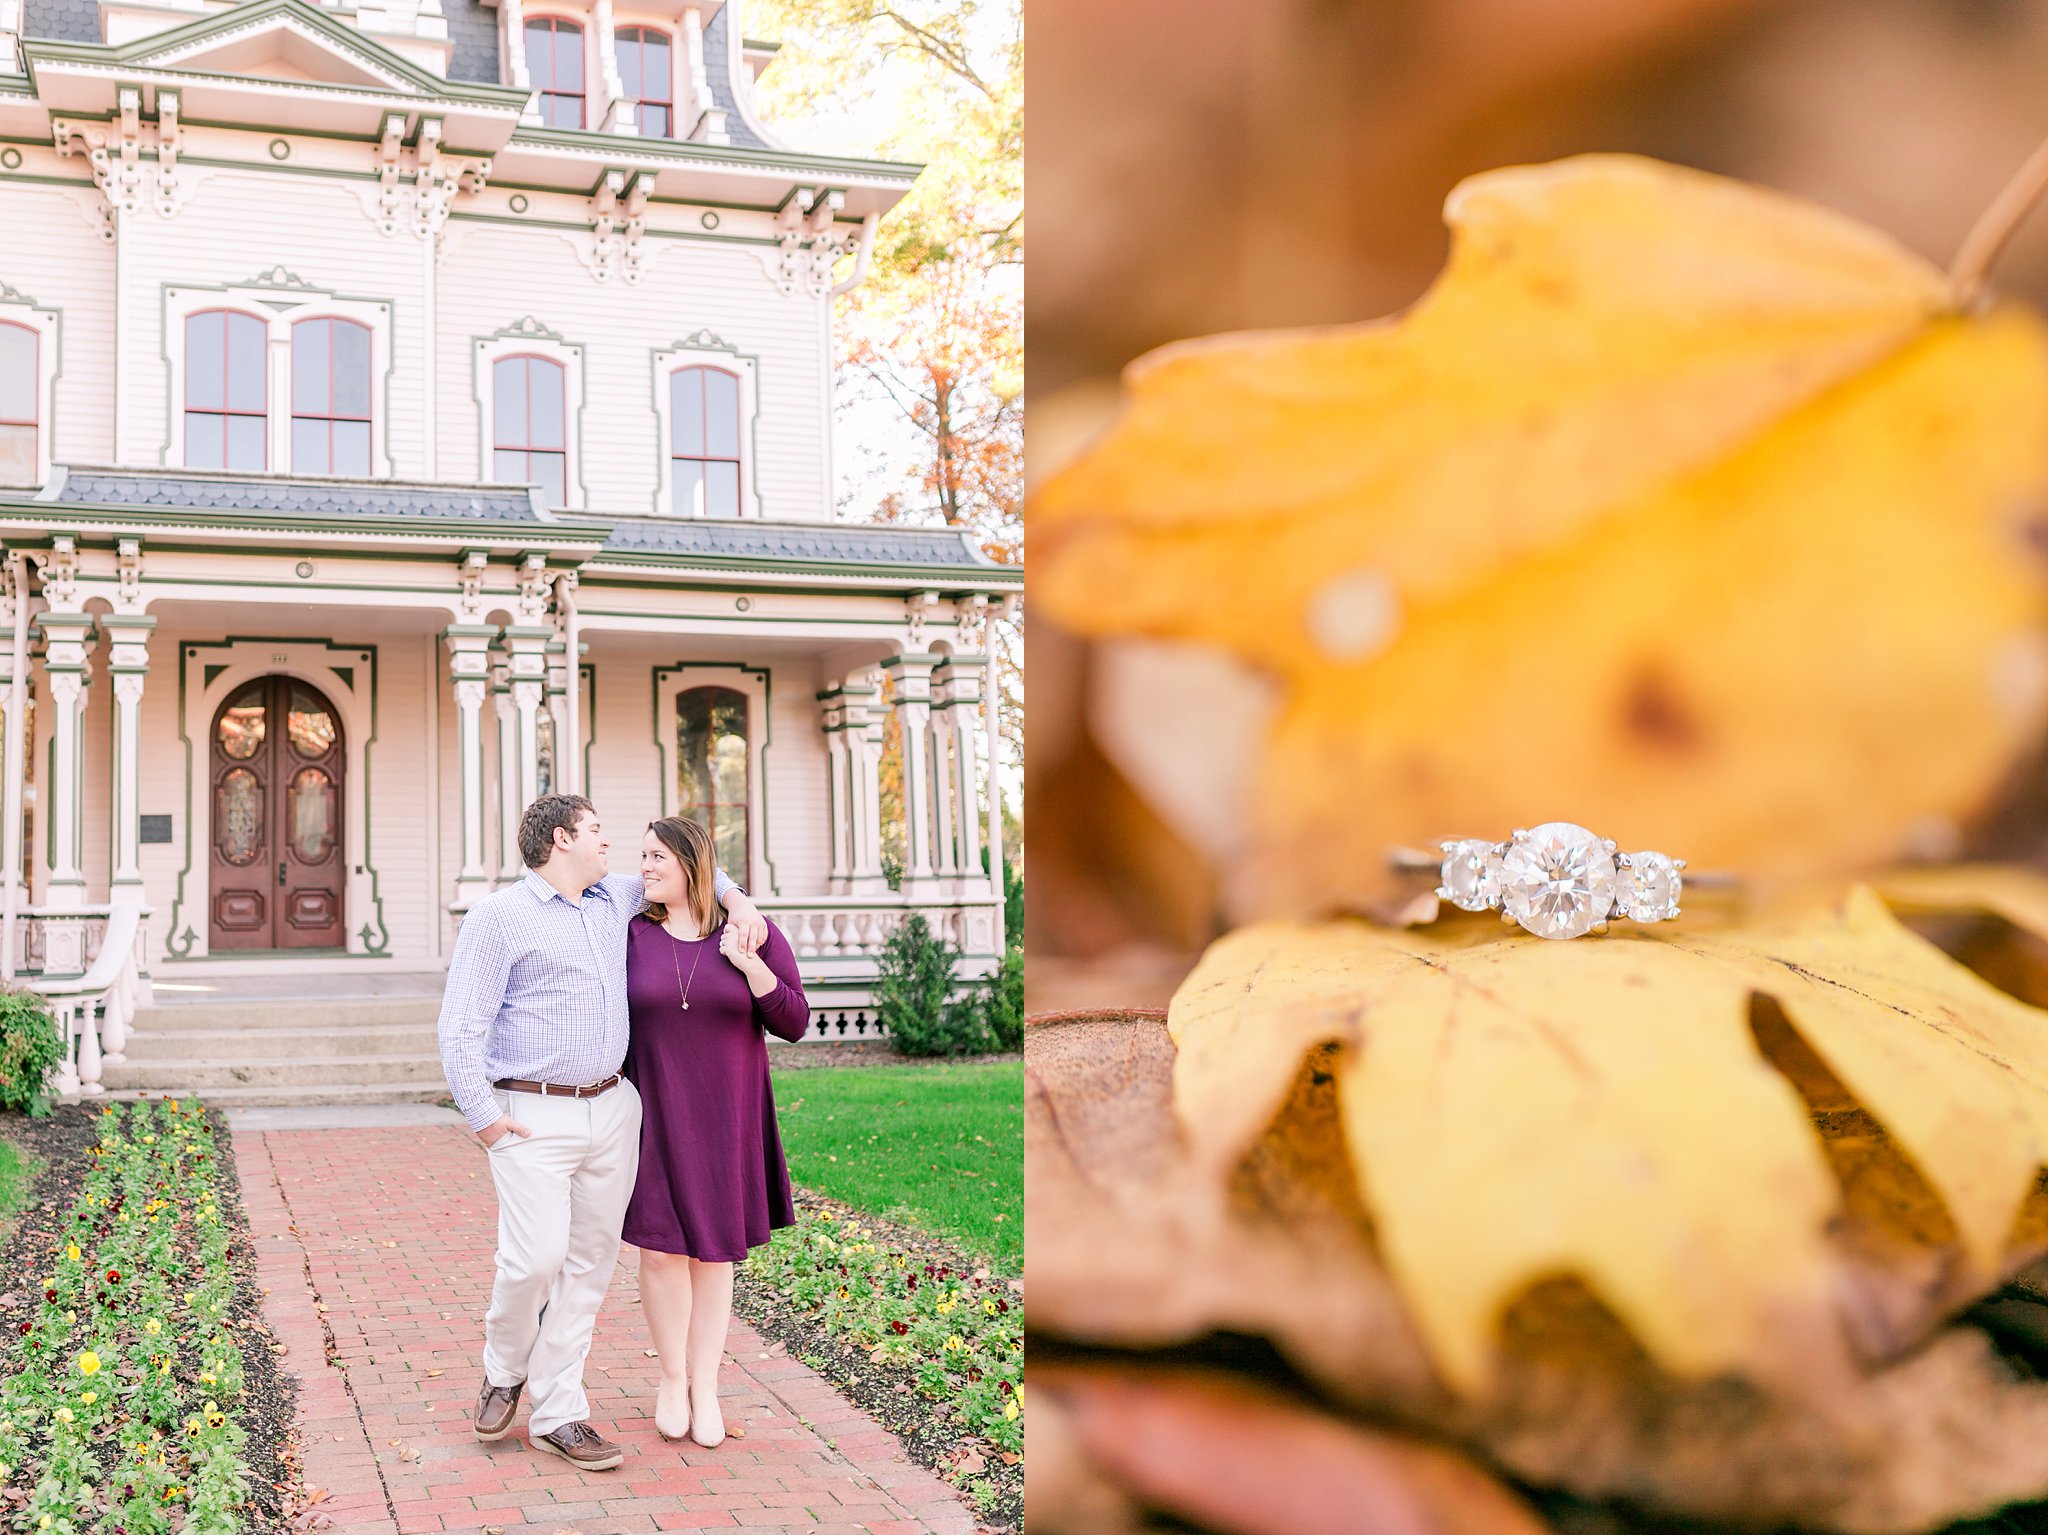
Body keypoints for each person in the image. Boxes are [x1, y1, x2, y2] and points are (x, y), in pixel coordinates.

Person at [436, 793, 767, 1470]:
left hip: (614, 1108)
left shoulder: (613, 899)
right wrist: (485, 1118)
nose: (611, 845)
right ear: (562, 839)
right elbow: (460, 1025)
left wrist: (741, 902)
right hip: (531, 1112)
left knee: (589, 1268)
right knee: (535, 1259)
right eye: (596, 831)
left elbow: (693, 868)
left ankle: (560, 1413)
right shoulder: (498, 917)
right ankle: (505, 1367)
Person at [622, 815, 810, 1448]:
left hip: (728, 1114)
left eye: (656, 857)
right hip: (654, 1112)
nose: (644, 867)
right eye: (642, 856)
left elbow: (794, 1020)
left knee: (714, 1254)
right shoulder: (630, 934)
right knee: (660, 1249)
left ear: (690, 865)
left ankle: (707, 1387)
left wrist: (749, 964)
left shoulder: (750, 931)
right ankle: (671, 1380)